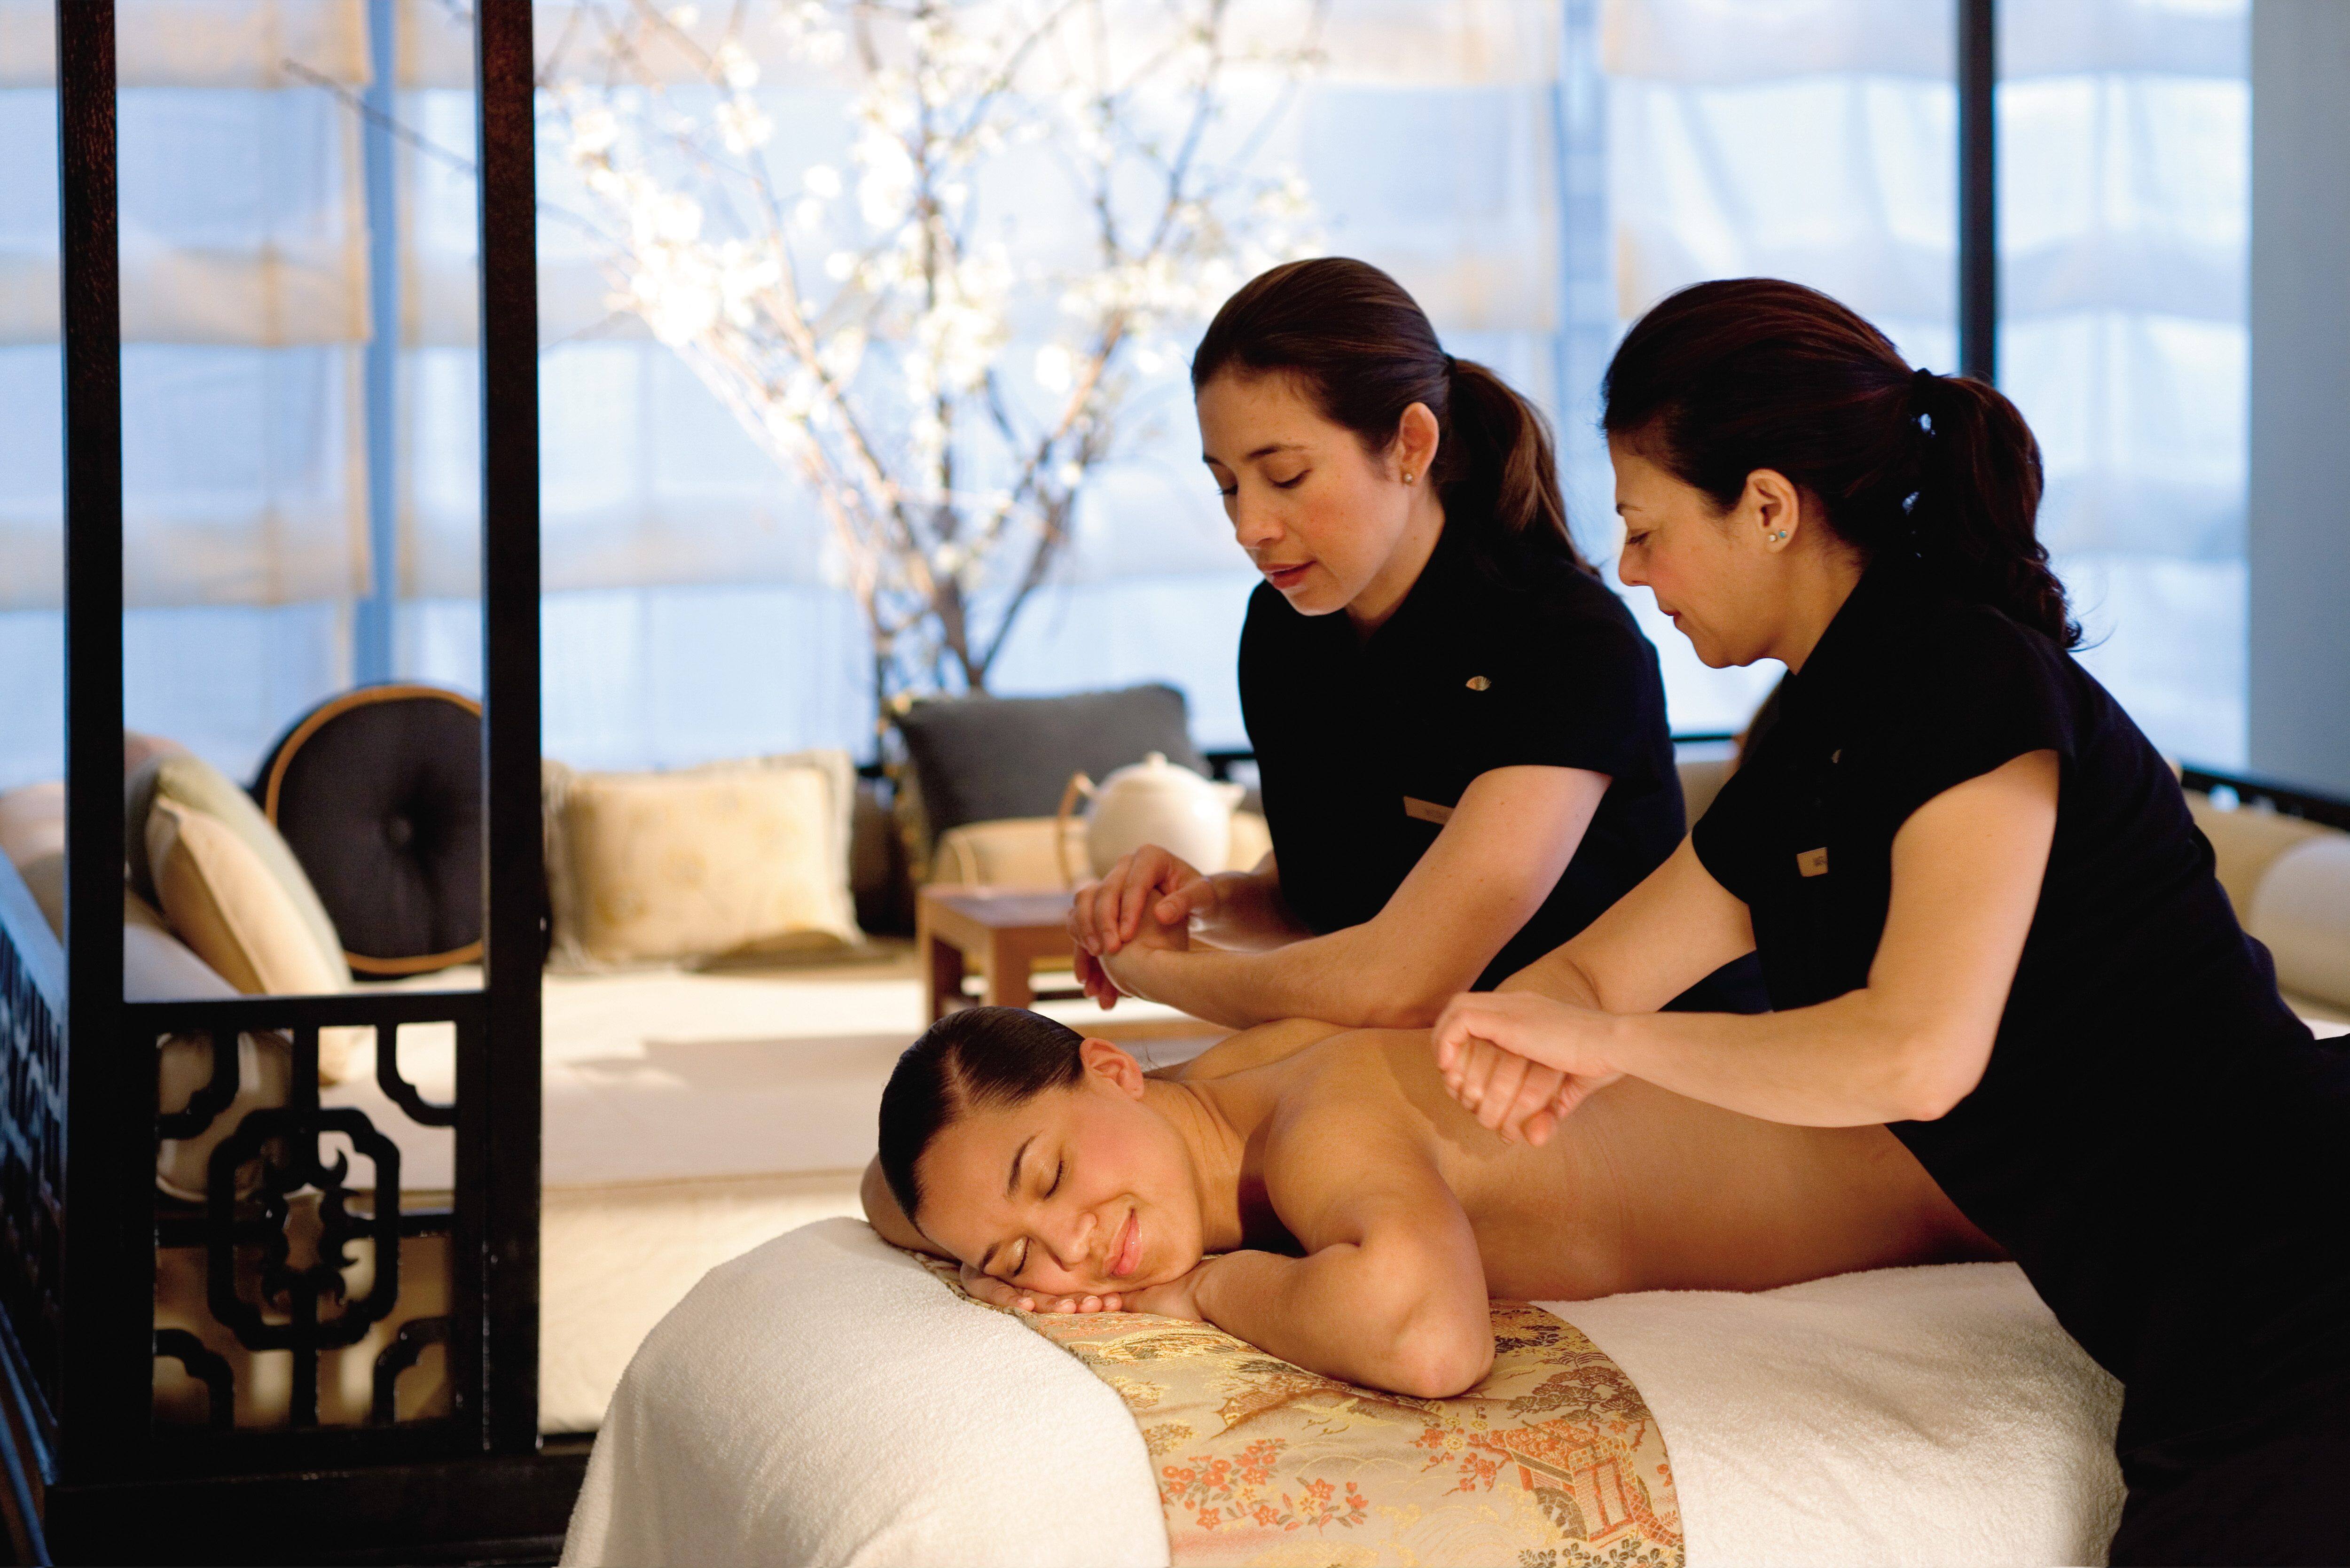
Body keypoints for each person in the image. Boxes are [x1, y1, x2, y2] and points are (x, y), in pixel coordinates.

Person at [1428, 278, 2350, 1564]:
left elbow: (1918, 1051)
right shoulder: (1816, 740)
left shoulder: (1967, 676)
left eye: (1645, 526)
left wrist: (1617, 1049)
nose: (1631, 569)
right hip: (2196, 1308)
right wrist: (1535, 1030)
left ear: (1766, 507)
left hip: (2296, 1262)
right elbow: (1602, 966)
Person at [1067, 257, 1760, 1032]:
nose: (1248, 527)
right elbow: (1333, 903)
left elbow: (1401, 982)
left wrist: (1162, 975)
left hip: (1625, 1068)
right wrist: (1206, 905)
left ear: (1410, 445)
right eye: (1228, 484)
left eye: (1286, 476)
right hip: (1436, 1059)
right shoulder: (1282, 632)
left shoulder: (1567, 643)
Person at [861, 997, 1996, 1399]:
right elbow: (885, 1192)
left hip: (1983, 1160)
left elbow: (1429, 1340)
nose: (1069, 1246)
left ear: (1112, 1065)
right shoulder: (1199, 1096)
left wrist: (1204, 1292)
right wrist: (992, 1246)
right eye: (1016, 1259)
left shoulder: (1317, 1115)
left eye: (1050, 1177)